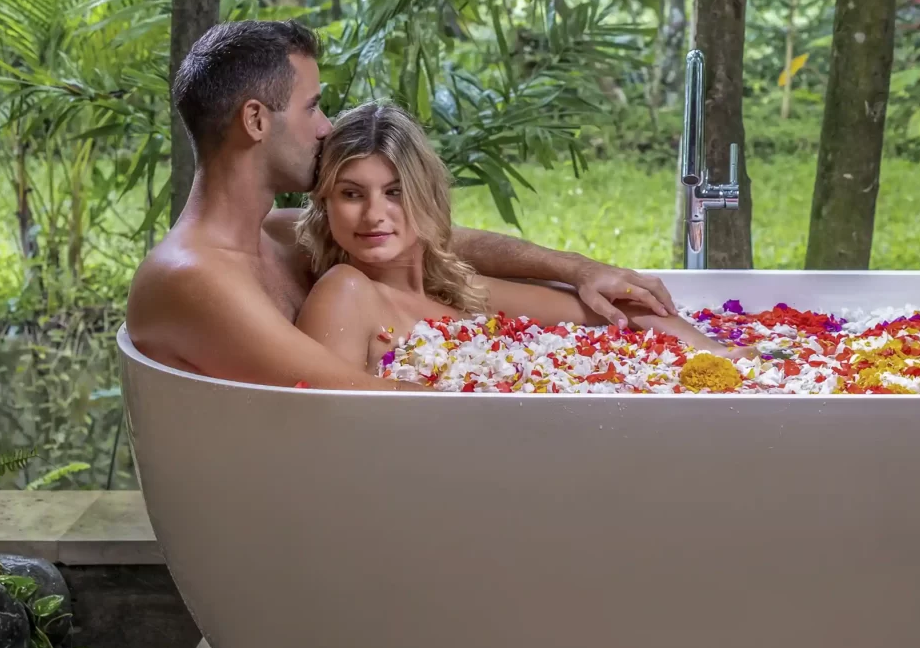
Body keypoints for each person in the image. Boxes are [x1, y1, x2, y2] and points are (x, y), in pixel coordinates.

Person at [126, 20, 677, 389]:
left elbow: (432, 237)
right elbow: (340, 395)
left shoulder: (275, 234)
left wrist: (579, 269)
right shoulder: (190, 277)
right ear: (255, 120)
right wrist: (527, 387)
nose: (325, 128)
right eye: (312, 107)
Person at [293, 102, 723, 376]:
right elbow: (325, 429)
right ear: (325, 202)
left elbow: (621, 312)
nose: (373, 215)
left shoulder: (460, 291)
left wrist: (722, 359)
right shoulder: (346, 292)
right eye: (351, 194)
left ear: (426, 197)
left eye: (395, 192)